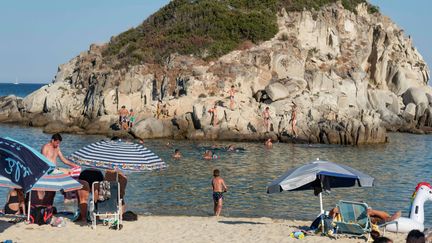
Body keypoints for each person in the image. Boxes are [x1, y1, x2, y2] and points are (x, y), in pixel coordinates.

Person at [329, 207, 401, 225]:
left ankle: (389, 218)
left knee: (373, 216)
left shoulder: (338, 218)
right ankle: (389, 218)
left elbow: (333, 211)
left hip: (353, 220)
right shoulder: (338, 217)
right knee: (372, 214)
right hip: (360, 223)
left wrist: (334, 211)